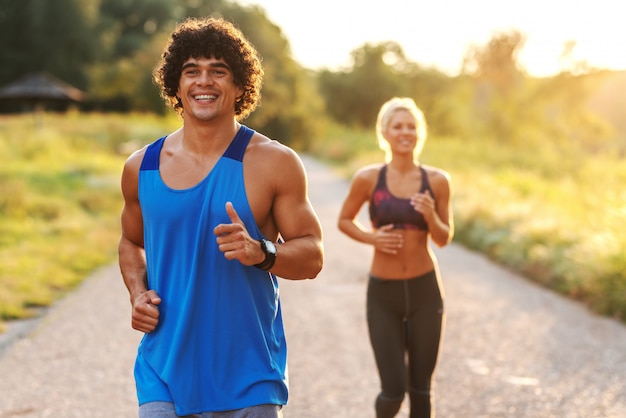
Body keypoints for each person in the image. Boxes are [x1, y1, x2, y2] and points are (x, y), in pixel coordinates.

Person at [118, 17, 323, 418]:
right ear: (175, 86)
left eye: (219, 71)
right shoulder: (140, 167)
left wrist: (261, 251)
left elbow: (313, 254)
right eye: (191, 71)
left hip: (247, 376)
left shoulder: (274, 162)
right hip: (164, 371)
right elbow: (130, 242)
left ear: (240, 85)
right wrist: (137, 291)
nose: (204, 82)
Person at [337, 97, 453, 418]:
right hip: (383, 295)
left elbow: (444, 238)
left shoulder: (438, 182)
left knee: (420, 390)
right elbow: (344, 220)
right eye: (397, 126)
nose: (405, 132)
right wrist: (372, 238)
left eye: (411, 126)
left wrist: (430, 216)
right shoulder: (368, 179)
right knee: (393, 391)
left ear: (420, 133)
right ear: (385, 133)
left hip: (425, 292)